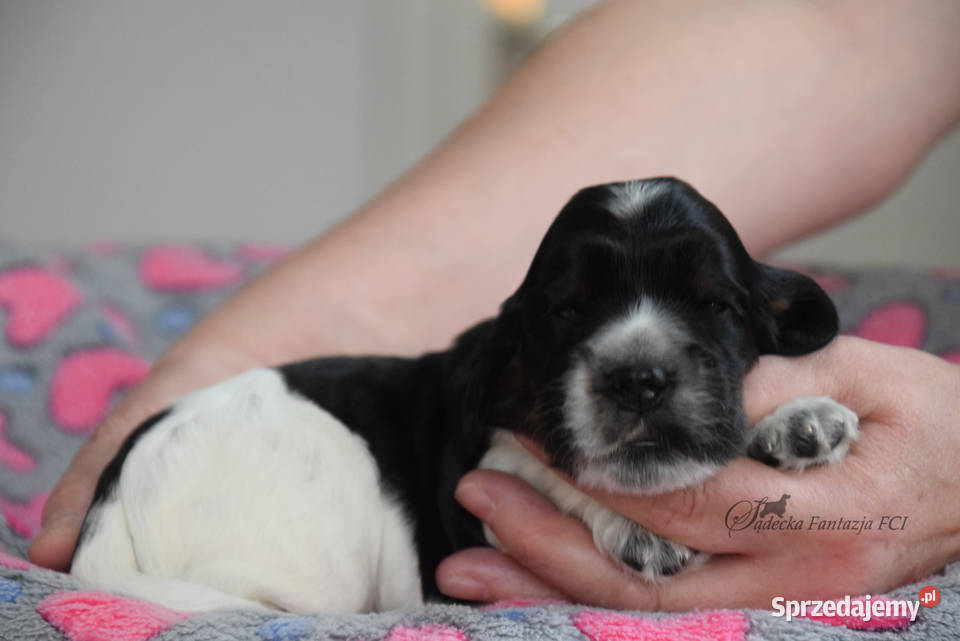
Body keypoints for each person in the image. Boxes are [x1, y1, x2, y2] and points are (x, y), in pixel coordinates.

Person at [30, 0, 960, 609]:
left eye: (709, 304)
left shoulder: (777, 382)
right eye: (572, 313)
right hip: (246, 486)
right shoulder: (481, 399)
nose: (639, 363)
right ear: (507, 361)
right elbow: (850, 21)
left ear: (777, 321)